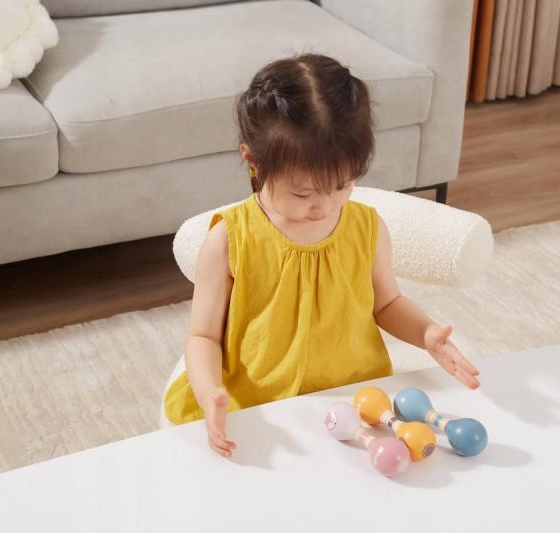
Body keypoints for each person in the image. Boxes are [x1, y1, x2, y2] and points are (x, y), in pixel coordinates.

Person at [163, 53, 480, 458]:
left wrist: (426, 335)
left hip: (353, 397)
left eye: (343, 185)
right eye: (303, 193)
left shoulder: (367, 227)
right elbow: (203, 335)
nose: (325, 205)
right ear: (253, 160)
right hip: (262, 403)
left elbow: (387, 304)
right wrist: (210, 392)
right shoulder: (228, 239)